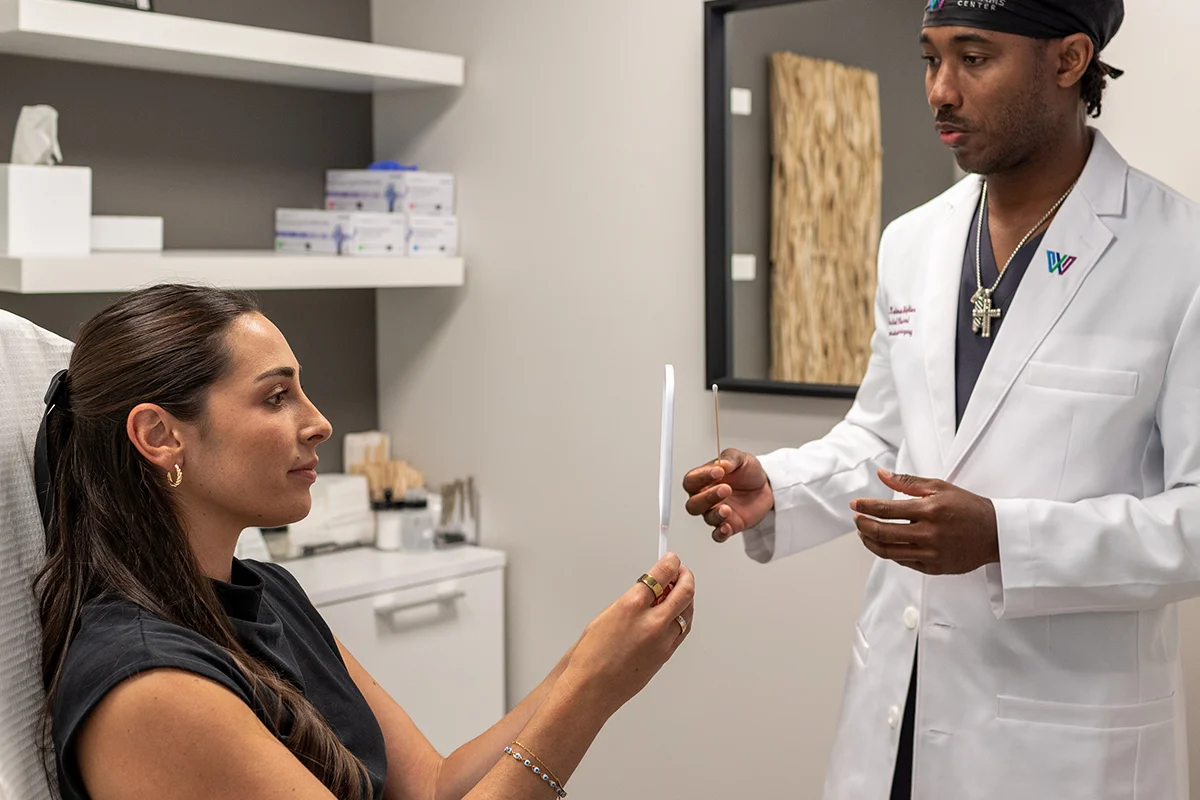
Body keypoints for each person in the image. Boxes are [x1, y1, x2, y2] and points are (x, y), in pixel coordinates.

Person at [685, 1, 1200, 798]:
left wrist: (1005, 537)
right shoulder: (913, 240)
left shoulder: (1177, 255)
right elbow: (887, 442)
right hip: (900, 713)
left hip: (1064, 746)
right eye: (930, 58)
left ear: (1069, 61)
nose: (939, 91)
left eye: (974, 58)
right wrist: (778, 486)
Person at [34, 284, 696, 800]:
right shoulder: (153, 688)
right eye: (276, 397)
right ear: (159, 436)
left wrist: (589, 658)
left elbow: (432, 787)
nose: (319, 422)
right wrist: (591, 693)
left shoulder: (270, 594)